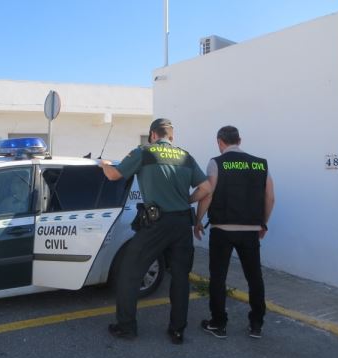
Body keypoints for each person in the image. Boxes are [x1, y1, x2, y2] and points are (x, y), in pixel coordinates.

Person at [100, 118, 212, 344]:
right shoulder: (185, 156)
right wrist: (186, 201)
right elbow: (207, 188)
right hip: (182, 225)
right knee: (180, 278)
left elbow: (113, 175)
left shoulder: (144, 152)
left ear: (153, 135)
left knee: (129, 274)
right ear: (171, 137)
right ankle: (177, 331)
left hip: (156, 224)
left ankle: (126, 327)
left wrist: (104, 164)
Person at [194, 125, 275, 339]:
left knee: (218, 278)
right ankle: (256, 324)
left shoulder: (216, 162)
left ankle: (218, 323)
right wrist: (263, 223)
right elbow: (270, 197)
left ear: (220, 141)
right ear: (239, 140)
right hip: (250, 231)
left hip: (223, 230)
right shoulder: (260, 164)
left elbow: (208, 194)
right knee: (254, 277)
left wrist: (197, 220)